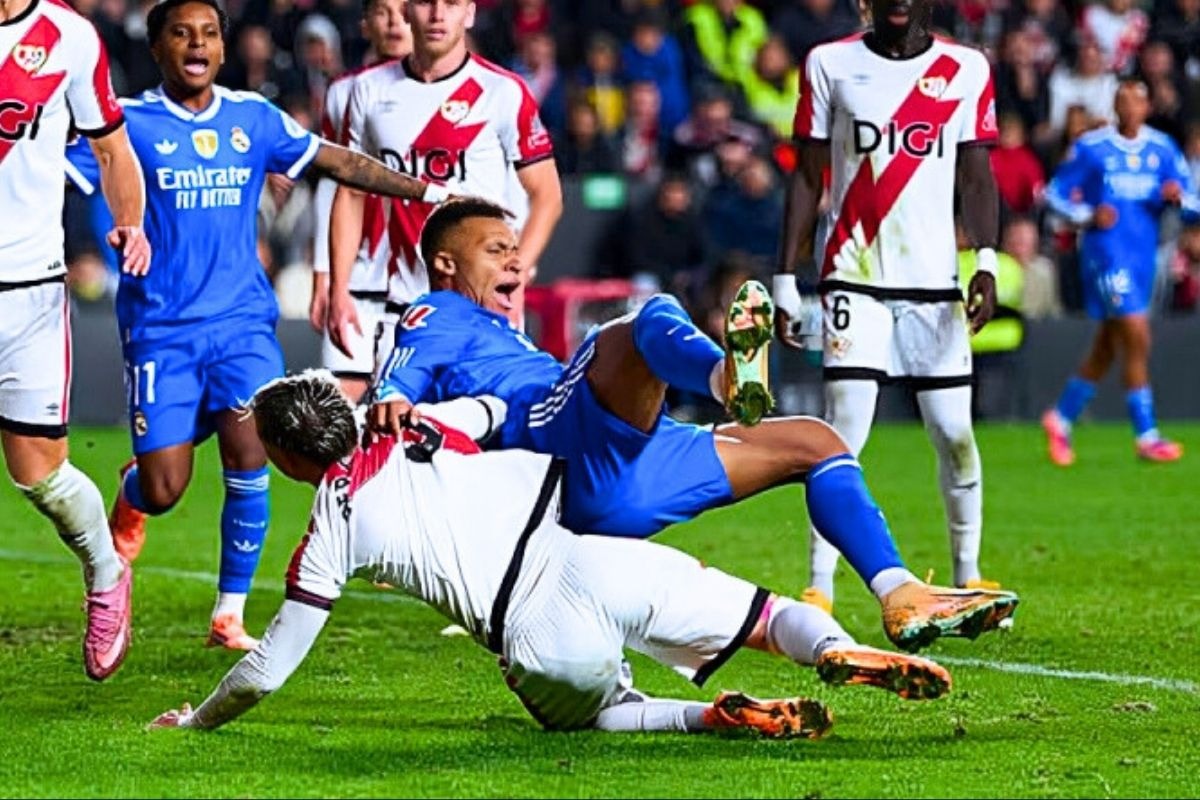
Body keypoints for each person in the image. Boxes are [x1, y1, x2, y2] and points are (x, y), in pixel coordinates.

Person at [148, 371, 964, 737]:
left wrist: (196, 720)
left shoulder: (329, 527)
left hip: (532, 636)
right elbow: (502, 404)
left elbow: (267, 670)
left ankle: (706, 720)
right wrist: (417, 406)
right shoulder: (418, 423)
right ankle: (834, 644)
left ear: (292, 461)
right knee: (766, 616)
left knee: (600, 714)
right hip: (590, 552)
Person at [370, 199, 1019, 653]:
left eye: (516, 249)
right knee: (644, 318)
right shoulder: (439, 310)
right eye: (496, 250)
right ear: (447, 265)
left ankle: (899, 592)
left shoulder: (493, 325)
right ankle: (725, 381)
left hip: (626, 476)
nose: (515, 261)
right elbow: (398, 384)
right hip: (561, 452)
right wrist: (394, 397)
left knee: (815, 443)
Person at [65, 0, 448, 651]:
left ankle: (229, 615)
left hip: (243, 325)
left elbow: (335, 160)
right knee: (165, 487)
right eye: (181, 34)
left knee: (252, 453)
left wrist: (425, 193)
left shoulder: (253, 118)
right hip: (162, 331)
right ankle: (133, 495)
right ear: (157, 48)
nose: (197, 44)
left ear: (223, 47)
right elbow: (51, 174)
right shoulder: (125, 124)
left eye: (209, 33)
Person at [774, 0, 1004, 610]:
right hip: (854, 274)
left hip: (934, 280)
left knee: (954, 431)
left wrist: (984, 261)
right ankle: (819, 585)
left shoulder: (967, 69)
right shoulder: (830, 64)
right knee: (843, 429)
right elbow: (807, 176)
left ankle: (969, 573)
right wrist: (783, 276)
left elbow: (977, 175)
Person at [1, 0, 151, 682]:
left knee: (40, 474)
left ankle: (103, 566)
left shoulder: (68, 37)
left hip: (28, 287)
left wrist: (130, 225)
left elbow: (111, 145)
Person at [326, 0, 563, 357]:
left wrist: (514, 276)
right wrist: (338, 288)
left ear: (469, 13)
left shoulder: (502, 92)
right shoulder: (368, 90)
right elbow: (350, 194)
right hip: (404, 309)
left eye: (451, 4)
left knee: (489, 413)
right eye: (425, 3)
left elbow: (547, 195)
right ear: (406, 11)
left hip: (486, 311)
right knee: (396, 414)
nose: (437, 15)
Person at [1041, 80, 1198, 465]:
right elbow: (1054, 193)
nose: (1130, 108)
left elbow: (1193, 201)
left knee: (1110, 343)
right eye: (1123, 101)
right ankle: (1147, 434)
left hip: (1144, 255)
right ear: (1115, 105)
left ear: (1146, 108)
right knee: (1136, 329)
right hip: (1105, 254)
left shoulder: (1162, 149)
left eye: (1137, 102)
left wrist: (1178, 198)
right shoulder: (1093, 147)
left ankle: (1060, 419)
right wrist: (1088, 216)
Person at [309, 0, 412, 403]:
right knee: (342, 404)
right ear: (366, 23)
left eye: (404, 11)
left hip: (416, 274)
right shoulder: (344, 91)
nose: (394, 23)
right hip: (359, 272)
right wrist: (324, 275)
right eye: (383, 12)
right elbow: (333, 186)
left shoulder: (453, 90)